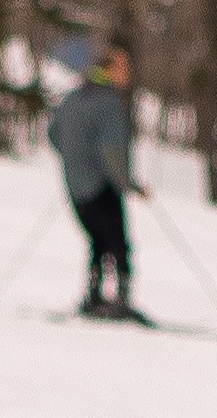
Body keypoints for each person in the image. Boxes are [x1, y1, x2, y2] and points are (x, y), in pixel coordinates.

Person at [47, 46, 145, 317]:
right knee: (117, 242)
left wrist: (76, 160)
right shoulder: (109, 103)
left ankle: (93, 296)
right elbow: (111, 150)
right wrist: (128, 184)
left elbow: (54, 135)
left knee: (97, 241)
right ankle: (121, 301)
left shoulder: (72, 99)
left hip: (75, 187)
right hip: (102, 186)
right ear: (110, 70)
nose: (127, 73)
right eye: (123, 68)